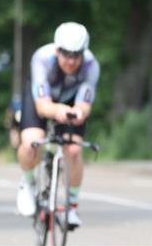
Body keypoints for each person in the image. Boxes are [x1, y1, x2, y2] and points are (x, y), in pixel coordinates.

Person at [15, 22, 100, 229]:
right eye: (66, 54)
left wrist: (79, 112)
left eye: (76, 55)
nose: (71, 61)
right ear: (57, 50)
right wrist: (58, 111)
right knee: (32, 142)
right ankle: (28, 183)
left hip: (71, 100)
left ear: (84, 53)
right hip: (41, 99)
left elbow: (85, 103)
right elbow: (43, 107)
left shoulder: (91, 65)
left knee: (74, 150)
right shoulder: (42, 59)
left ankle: (72, 206)